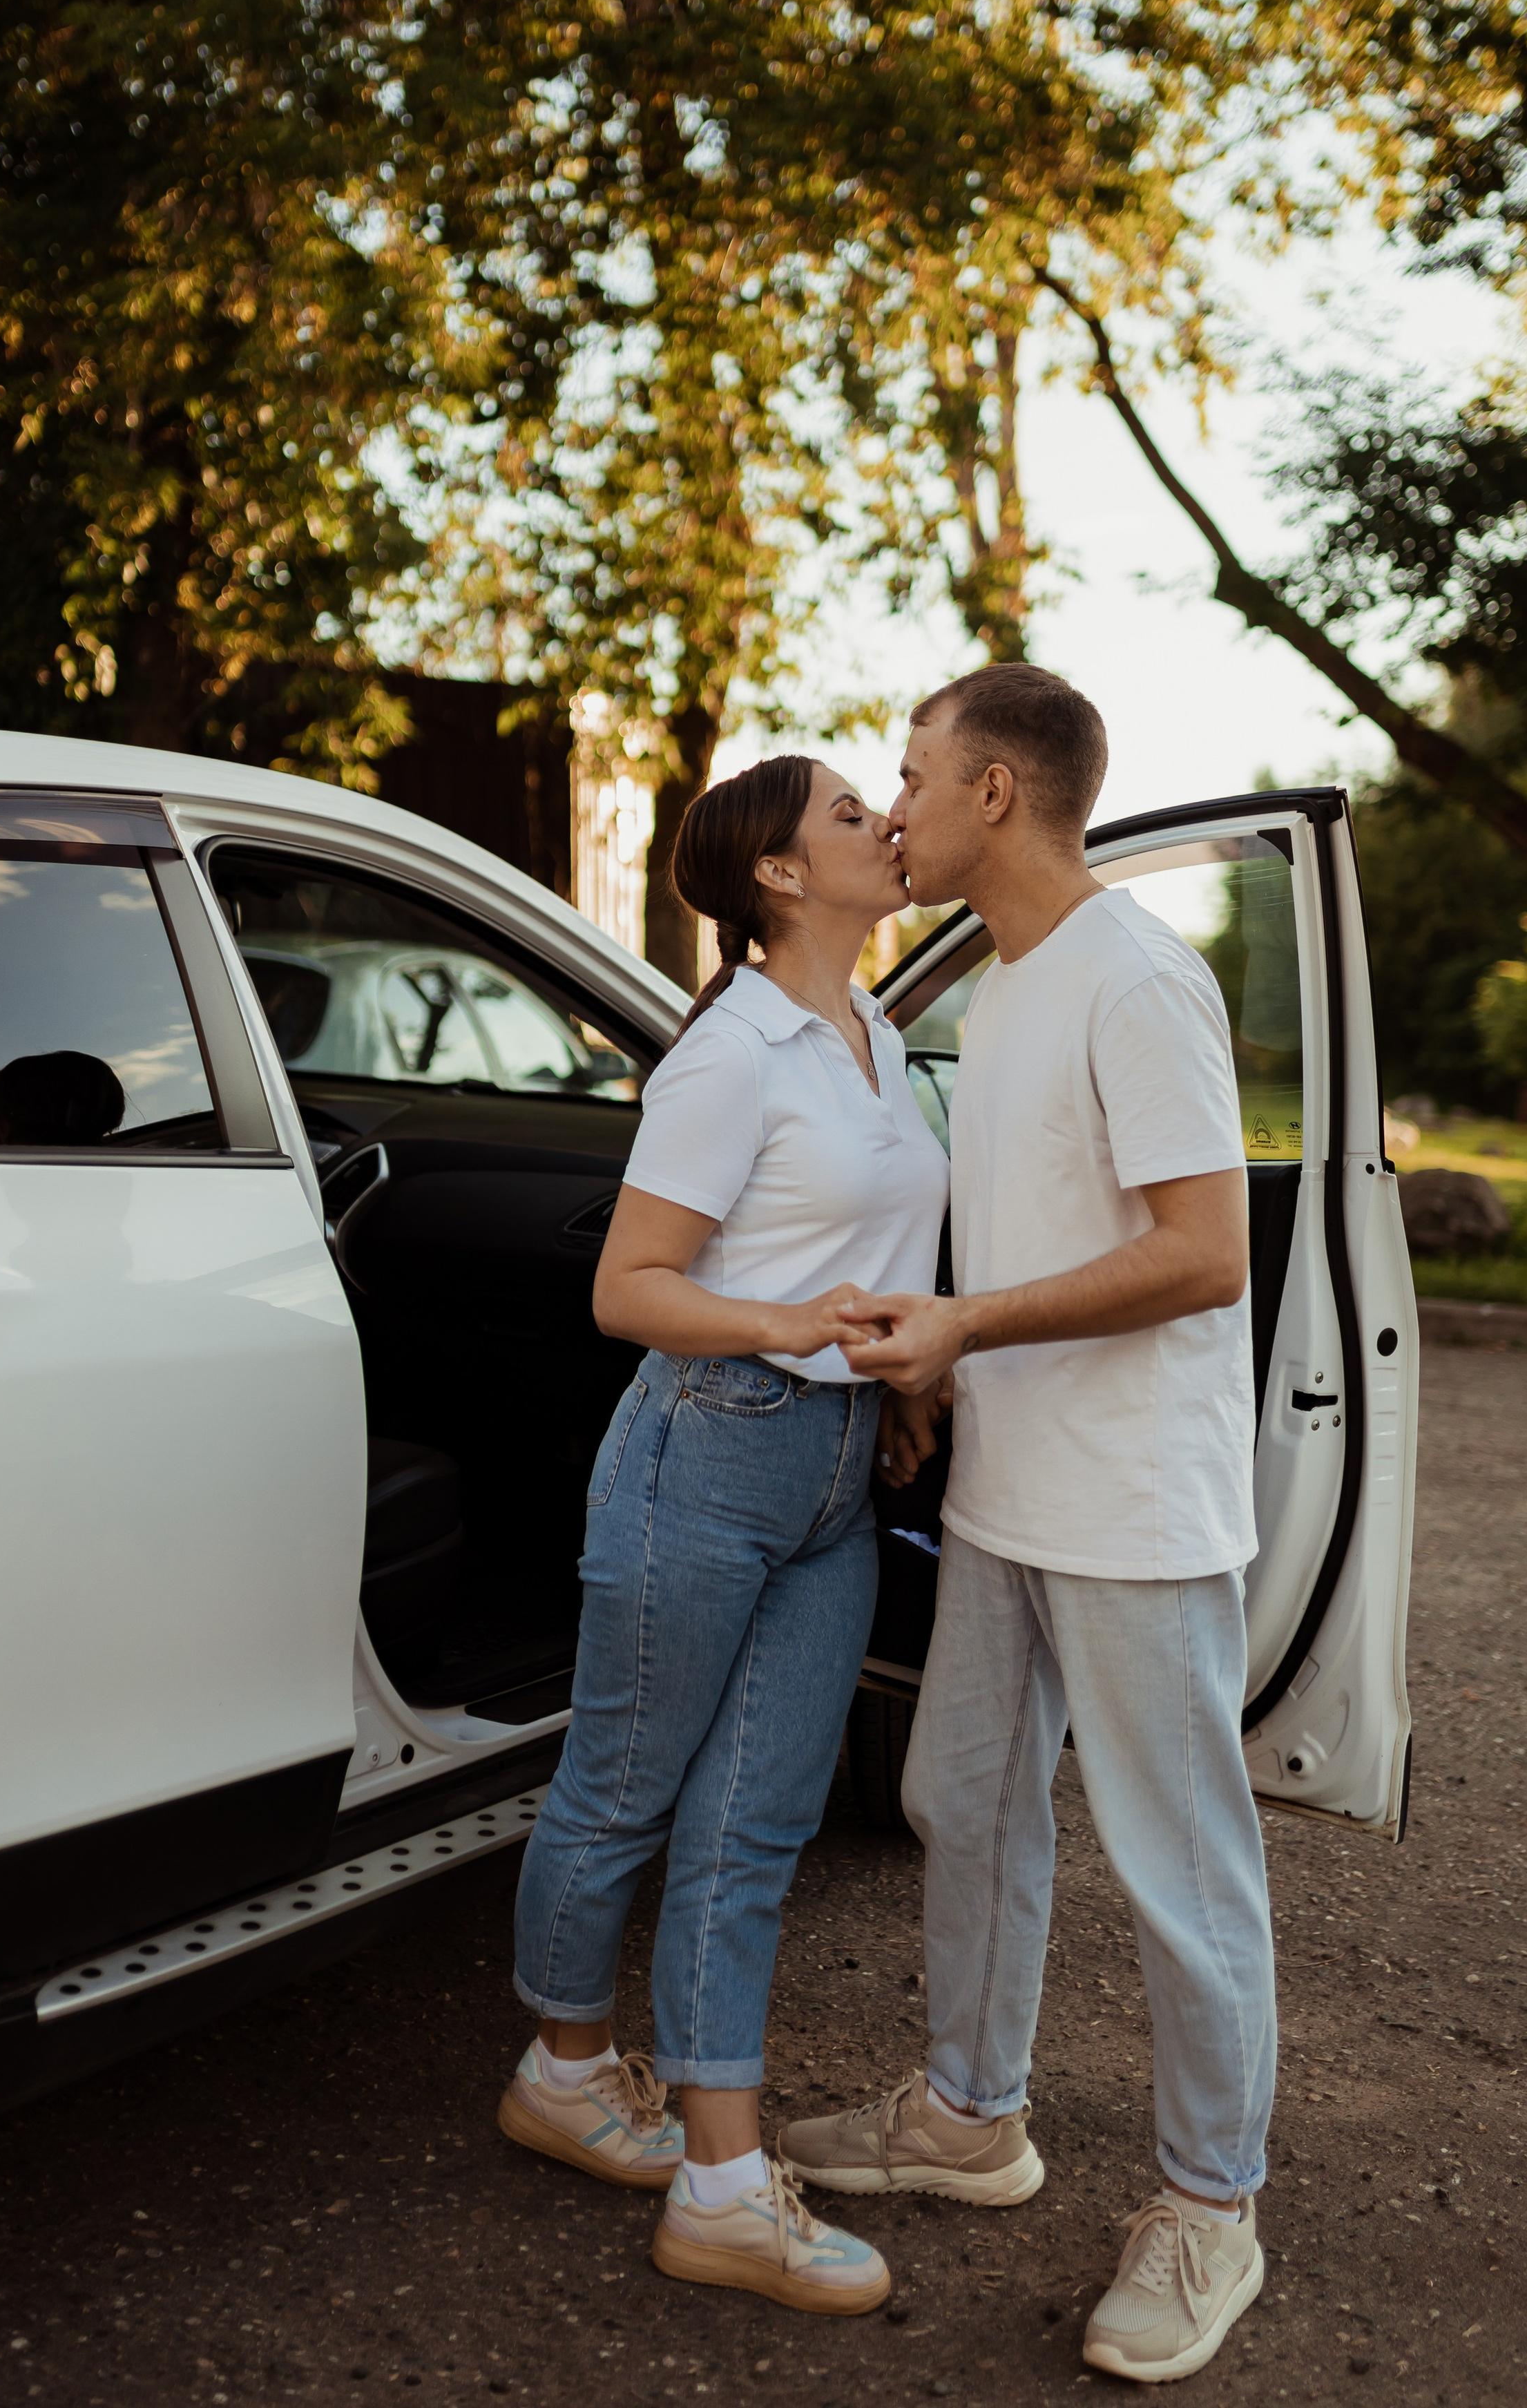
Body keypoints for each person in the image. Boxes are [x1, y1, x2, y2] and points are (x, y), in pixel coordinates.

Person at [777, 665, 1276, 2385]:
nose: (890, 807)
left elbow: (1205, 1250)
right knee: (957, 1798)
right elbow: (1016, 1234)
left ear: (994, 793)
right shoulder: (998, 993)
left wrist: (968, 1329)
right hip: (1005, 1490)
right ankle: (972, 2114)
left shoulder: (1136, 977)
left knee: (1177, 1866)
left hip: (1137, 1506)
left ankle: (1212, 2204)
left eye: (910, 777)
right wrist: (943, 1367)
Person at [499, 754, 949, 2315]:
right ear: (773, 871)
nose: (881, 824)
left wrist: (894, 1383)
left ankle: (712, 2177)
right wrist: (795, 1325)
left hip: (835, 1464)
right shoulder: (731, 1052)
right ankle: (569, 2075)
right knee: (622, 1787)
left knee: (758, 1822)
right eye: (844, 810)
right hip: (711, 1441)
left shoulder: (877, 1032)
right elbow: (630, 1289)